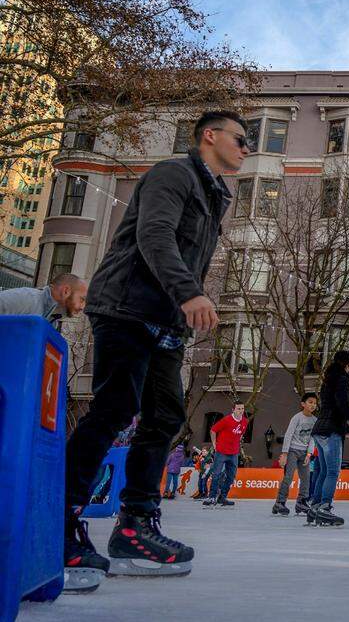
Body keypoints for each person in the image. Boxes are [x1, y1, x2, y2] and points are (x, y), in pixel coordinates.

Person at [59, 111, 248, 591]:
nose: (247, 148)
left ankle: (134, 527)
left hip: (164, 320)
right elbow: (154, 235)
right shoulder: (173, 173)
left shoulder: (214, 194)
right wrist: (189, 292)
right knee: (115, 408)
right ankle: (59, 521)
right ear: (210, 136)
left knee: (165, 417)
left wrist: (183, 306)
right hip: (126, 307)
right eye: (241, 139)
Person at [308, 350, 349, 526]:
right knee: (333, 471)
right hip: (330, 431)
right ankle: (325, 507)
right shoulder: (341, 379)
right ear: (347, 365)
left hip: (320, 429)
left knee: (322, 471)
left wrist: (347, 428)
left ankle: (315, 507)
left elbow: (331, 408)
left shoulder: (327, 380)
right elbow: (342, 405)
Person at [273, 392, 318, 516]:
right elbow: (288, 434)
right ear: (303, 404)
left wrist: (309, 454)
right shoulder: (297, 417)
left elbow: (313, 438)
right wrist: (285, 453)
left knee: (306, 478)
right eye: (310, 402)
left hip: (304, 453)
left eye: (314, 403)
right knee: (288, 476)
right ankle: (280, 502)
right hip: (292, 450)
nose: (313, 405)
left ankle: (301, 502)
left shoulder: (315, 420)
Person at [202, 401, 248, 508]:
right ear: (233, 410)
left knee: (231, 476)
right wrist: (214, 444)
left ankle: (222, 497)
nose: (241, 411)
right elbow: (213, 430)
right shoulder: (226, 420)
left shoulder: (245, 422)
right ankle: (211, 497)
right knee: (216, 474)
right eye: (238, 409)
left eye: (242, 409)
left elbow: (240, 434)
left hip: (234, 453)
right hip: (221, 452)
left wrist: (237, 445)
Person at [0, 272, 87, 328]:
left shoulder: (52, 323)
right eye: (82, 299)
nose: (83, 307)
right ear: (66, 291)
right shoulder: (27, 299)